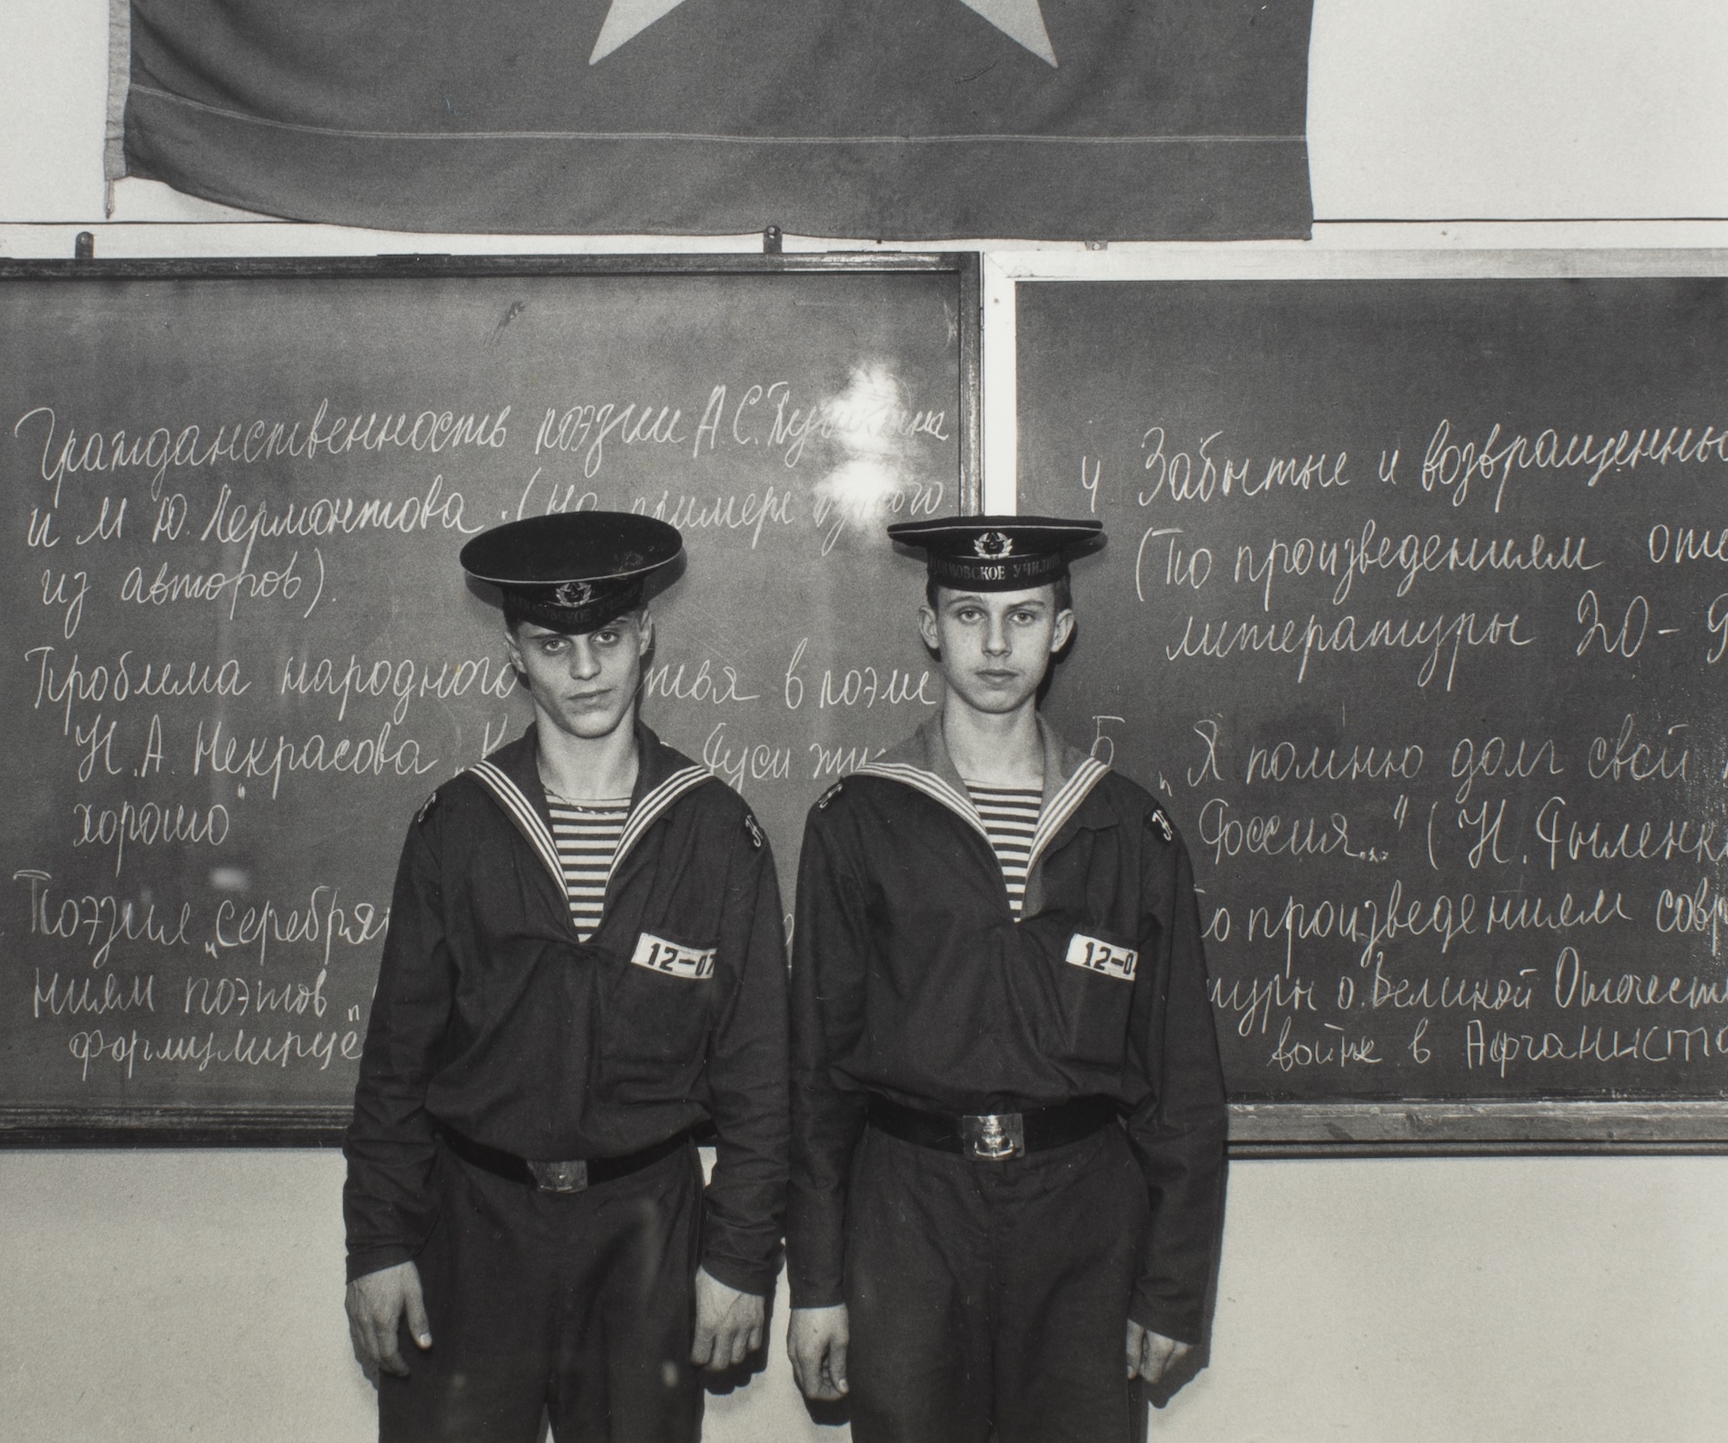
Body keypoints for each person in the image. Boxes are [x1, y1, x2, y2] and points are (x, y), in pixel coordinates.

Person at [343, 512, 788, 1443]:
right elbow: (396, 1064)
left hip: (645, 1232)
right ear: (515, 653)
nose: (585, 670)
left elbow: (759, 1077)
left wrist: (740, 1258)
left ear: (646, 636)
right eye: (554, 645)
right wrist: (379, 1243)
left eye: (608, 639)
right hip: (472, 1225)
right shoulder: (457, 825)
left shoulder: (715, 832)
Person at [785, 515, 1227, 1443]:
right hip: (908, 1211)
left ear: (1060, 630)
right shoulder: (860, 820)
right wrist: (818, 1283)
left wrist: (1173, 1289)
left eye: (1023, 616)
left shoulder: (1125, 829)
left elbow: (1180, 1083)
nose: (995, 644)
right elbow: (818, 1079)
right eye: (970, 613)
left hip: (1082, 1216)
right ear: (929, 626)